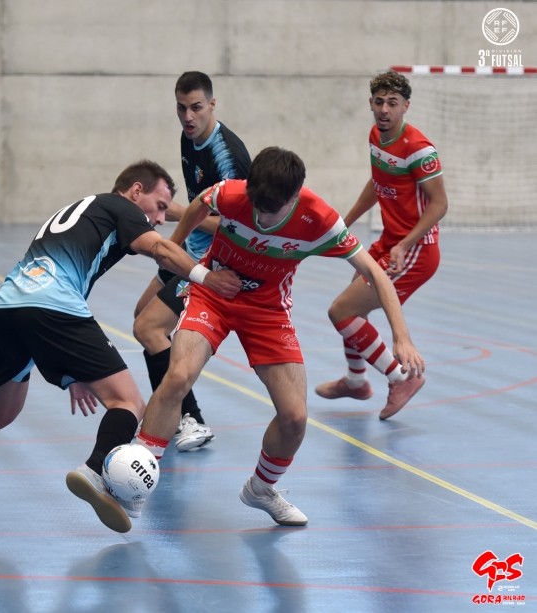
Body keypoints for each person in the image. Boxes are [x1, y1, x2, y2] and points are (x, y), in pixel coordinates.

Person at [0, 160, 241, 534]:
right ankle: (95, 472)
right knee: (128, 402)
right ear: (136, 191)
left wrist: (73, 371)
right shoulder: (121, 207)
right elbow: (162, 251)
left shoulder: (84, 208)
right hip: (54, 306)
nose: (160, 218)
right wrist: (208, 278)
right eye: (159, 206)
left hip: (10, 305)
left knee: (0, 410)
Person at [132, 147, 424, 528]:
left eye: (271, 211)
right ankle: (134, 473)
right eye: (257, 206)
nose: (261, 218)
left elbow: (375, 273)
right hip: (213, 294)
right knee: (178, 375)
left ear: (294, 196)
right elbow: (200, 203)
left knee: (295, 418)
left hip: (267, 311)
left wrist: (401, 336)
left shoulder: (320, 220)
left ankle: (261, 488)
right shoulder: (233, 194)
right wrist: (177, 247)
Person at [314, 70, 447, 419]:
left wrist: (404, 245)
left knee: (341, 311)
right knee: (351, 304)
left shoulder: (419, 149)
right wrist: (346, 221)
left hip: (415, 251)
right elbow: (378, 182)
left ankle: (402, 377)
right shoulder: (376, 135)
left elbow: (439, 205)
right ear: (370, 103)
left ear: (406, 106)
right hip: (389, 241)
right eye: (379, 102)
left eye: (392, 103)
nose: (384, 109)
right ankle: (356, 381)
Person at [132, 71, 251, 452]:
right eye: (181, 108)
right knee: (142, 317)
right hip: (191, 248)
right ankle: (172, 413)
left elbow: (237, 224)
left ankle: (190, 418)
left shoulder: (227, 156)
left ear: (212, 104)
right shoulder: (189, 137)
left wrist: (177, 214)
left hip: (215, 259)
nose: (188, 116)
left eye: (196, 107)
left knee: (150, 328)